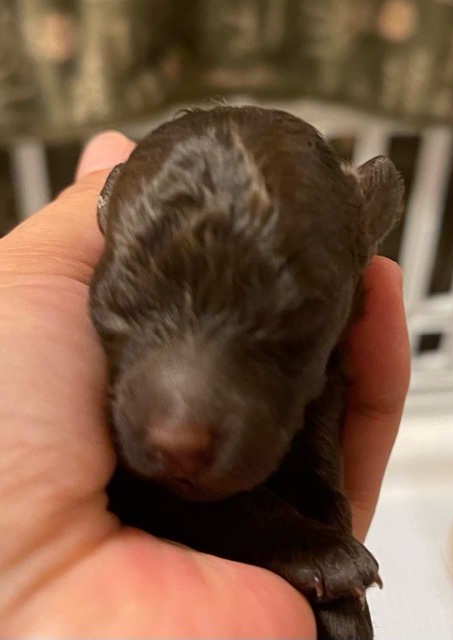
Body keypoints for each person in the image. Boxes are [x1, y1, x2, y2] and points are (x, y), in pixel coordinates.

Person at [0, 131, 410, 637]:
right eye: (130, 300)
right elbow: (133, 498)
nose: (178, 431)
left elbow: (318, 499)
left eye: (289, 323)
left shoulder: (329, 370)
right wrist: (281, 538)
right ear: (107, 206)